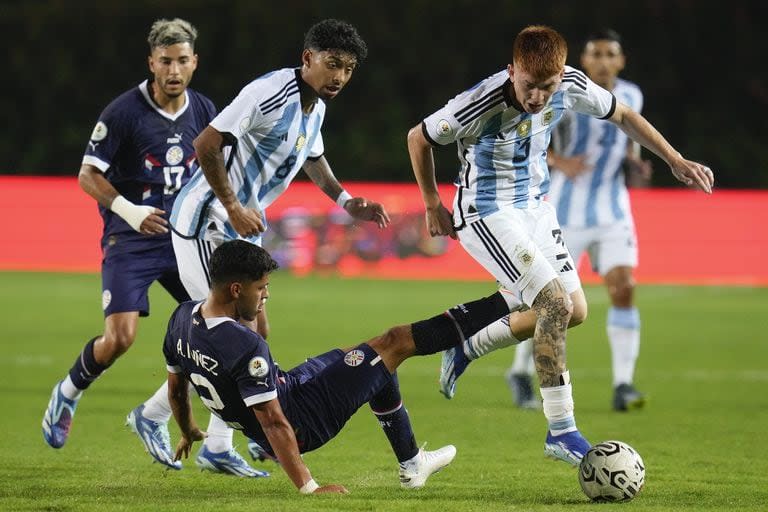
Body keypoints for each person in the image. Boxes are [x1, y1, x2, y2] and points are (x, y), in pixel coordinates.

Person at [407, 25, 713, 464]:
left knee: (577, 311)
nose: (537, 98)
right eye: (529, 86)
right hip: (486, 211)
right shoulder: (479, 102)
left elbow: (624, 115)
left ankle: (466, 346)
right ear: (512, 71)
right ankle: (561, 430)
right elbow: (418, 137)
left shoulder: (569, 83)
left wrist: (675, 159)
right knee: (553, 304)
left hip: (536, 206)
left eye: (546, 88)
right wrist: (433, 202)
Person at [126, 18, 390, 476]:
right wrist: (230, 204)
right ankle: (156, 417)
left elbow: (313, 158)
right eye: (332, 65)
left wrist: (348, 201)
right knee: (225, 332)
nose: (339, 77)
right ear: (308, 59)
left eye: (348, 69)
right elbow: (206, 141)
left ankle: (219, 442)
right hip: (205, 223)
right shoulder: (268, 93)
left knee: (255, 333)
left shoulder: (316, 108)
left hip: (241, 227)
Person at [165, 240, 519, 493]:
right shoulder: (246, 344)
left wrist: (187, 429)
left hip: (286, 389)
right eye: (262, 288)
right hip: (301, 419)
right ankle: (508, 298)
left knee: (368, 356)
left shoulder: (181, 318)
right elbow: (274, 421)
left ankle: (412, 464)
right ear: (236, 288)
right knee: (394, 342)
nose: (266, 296)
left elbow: (176, 389)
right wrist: (309, 488)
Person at [41, 18, 216, 468]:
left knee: (224, 328)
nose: (173, 70)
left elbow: (214, 170)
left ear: (194, 62)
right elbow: (87, 175)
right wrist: (129, 211)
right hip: (131, 238)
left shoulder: (204, 110)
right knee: (120, 338)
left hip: (181, 239)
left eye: (181, 61)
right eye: (165, 62)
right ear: (151, 63)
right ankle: (68, 392)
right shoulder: (123, 112)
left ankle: (209, 438)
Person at [508, 29, 652, 412]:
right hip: (564, 211)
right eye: (596, 54)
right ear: (584, 61)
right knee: (547, 299)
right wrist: (559, 161)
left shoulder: (632, 95)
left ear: (620, 61)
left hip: (614, 210)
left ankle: (623, 384)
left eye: (611, 54)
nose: (603, 61)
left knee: (624, 287)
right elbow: (529, 134)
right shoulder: (565, 90)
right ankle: (520, 371)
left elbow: (628, 138)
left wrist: (635, 163)